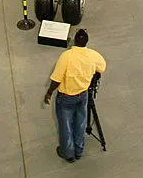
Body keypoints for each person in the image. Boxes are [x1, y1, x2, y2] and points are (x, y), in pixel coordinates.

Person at [43, 29, 106, 163]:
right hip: (83, 95)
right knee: (81, 123)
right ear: (86, 42)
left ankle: (68, 153)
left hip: (66, 97)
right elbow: (102, 67)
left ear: (75, 41)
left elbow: (57, 79)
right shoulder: (93, 55)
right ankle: (79, 151)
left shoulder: (66, 56)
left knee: (66, 125)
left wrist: (49, 92)